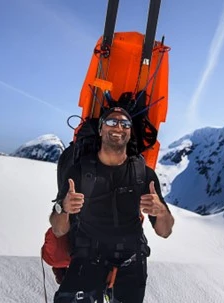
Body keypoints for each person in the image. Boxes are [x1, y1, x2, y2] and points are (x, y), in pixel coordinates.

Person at [49, 107, 174, 303]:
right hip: (88, 256)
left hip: (131, 260)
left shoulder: (143, 174)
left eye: (125, 123)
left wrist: (162, 212)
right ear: (100, 130)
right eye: (111, 122)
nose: (118, 127)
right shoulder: (79, 172)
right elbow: (58, 229)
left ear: (130, 132)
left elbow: (165, 231)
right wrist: (63, 208)